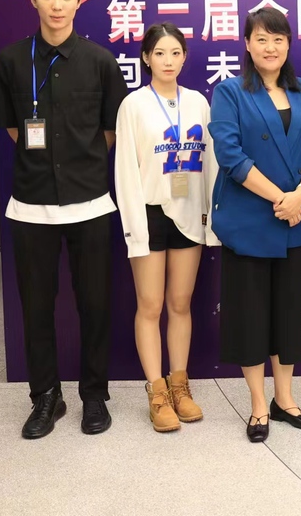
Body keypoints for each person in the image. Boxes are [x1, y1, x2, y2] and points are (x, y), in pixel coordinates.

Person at [0, 0, 128, 439]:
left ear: (78, 1)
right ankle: (46, 396)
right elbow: (13, 127)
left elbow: (110, 130)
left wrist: (77, 166)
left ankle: (94, 395)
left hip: (89, 201)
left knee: (95, 304)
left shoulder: (100, 61)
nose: (57, 5)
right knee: (36, 307)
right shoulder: (11, 61)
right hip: (31, 203)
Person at [208, 7, 301, 443]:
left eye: (278, 39)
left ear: (289, 44)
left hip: (296, 218)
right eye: (261, 38)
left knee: (287, 314)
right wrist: (281, 198)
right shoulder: (230, 91)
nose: (270, 47)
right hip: (250, 220)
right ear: (247, 44)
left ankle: (285, 399)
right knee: (251, 316)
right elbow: (230, 155)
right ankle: (259, 405)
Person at [114, 22, 219, 433]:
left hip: (189, 214)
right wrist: (134, 226)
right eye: (159, 53)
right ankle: (156, 393)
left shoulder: (198, 102)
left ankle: (180, 386)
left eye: (175, 52)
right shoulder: (133, 105)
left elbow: (211, 163)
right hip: (150, 212)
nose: (168, 61)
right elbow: (125, 170)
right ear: (146, 58)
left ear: (185, 57)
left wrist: (210, 219)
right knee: (150, 304)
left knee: (180, 303)